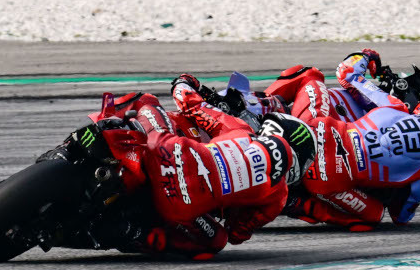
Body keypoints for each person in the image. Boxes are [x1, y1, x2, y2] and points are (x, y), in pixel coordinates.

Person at [95, 89, 316, 258]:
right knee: (216, 242)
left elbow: (193, 106)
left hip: (164, 148)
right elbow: (238, 233)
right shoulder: (278, 197)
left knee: (147, 100)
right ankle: (134, 233)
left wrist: (184, 84)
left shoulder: (240, 128)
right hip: (180, 206)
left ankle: (109, 121)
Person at [264, 49, 420, 231]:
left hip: (314, 130)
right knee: (374, 216)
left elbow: (345, 73)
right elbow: (401, 217)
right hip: (327, 183)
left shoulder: (396, 107)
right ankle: (293, 202)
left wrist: (366, 56)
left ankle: (262, 103)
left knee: (310, 75)